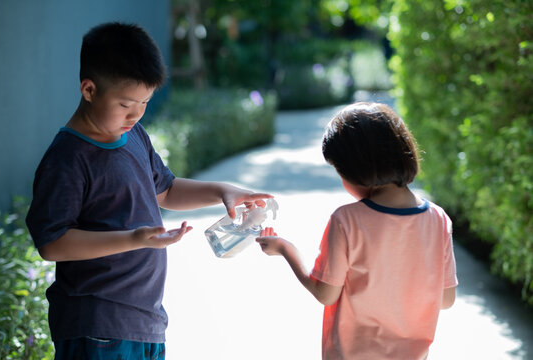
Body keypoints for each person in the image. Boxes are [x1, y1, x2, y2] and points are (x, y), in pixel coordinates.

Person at [25, 22, 272, 360]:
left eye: (144, 102)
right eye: (126, 104)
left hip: (146, 322)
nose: (136, 114)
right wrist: (133, 239)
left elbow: (166, 191)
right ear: (89, 90)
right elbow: (52, 244)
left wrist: (222, 190)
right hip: (97, 327)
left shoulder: (134, 135)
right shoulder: (67, 158)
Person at [256, 102, 458, 360]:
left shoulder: (347, 220)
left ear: (356, 169)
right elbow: (446, 299)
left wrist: (285, 249)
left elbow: (325, 293)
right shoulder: (438, 219)